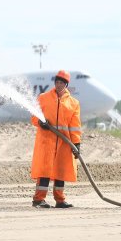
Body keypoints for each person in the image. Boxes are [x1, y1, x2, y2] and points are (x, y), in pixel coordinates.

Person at [30, 70, 82, 208]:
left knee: (61, 171)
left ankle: (60, 200)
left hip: (64, 143)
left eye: (61, 83)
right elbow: (34, 117)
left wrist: (76, 143)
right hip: (46, 141)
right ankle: (38, 199)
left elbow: (75, 126)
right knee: (44, 170)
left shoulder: (74, 103)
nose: (58, 85)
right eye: (57, 82)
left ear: (66, 84)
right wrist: (40, 122)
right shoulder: (44, 97)